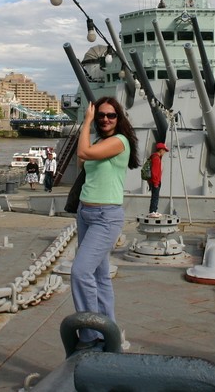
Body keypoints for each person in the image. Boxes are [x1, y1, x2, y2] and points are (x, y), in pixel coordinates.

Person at [72, 96, 139, 349]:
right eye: (101, 115)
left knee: (80, 272)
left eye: (111, 115)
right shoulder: (100, 141)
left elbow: (82, 152)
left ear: (118, 118)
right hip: (86, 213)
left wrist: (87, 121)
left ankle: (90, 334)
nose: (105, 119)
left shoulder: (119, 142)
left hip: (105, 217)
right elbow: (83, 162)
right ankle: (107, 329)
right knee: (100, 276)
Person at [146, 142, 169, 217]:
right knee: (155, 197)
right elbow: (154, 172)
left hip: (156, 181)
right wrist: (156, 183)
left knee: (155, 196)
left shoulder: (156, 157)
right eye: (164, 150)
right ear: (161, 150)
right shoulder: (156, 158)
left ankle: (154, 210)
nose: (165, 152)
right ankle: (152, 211)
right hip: (155, 181)